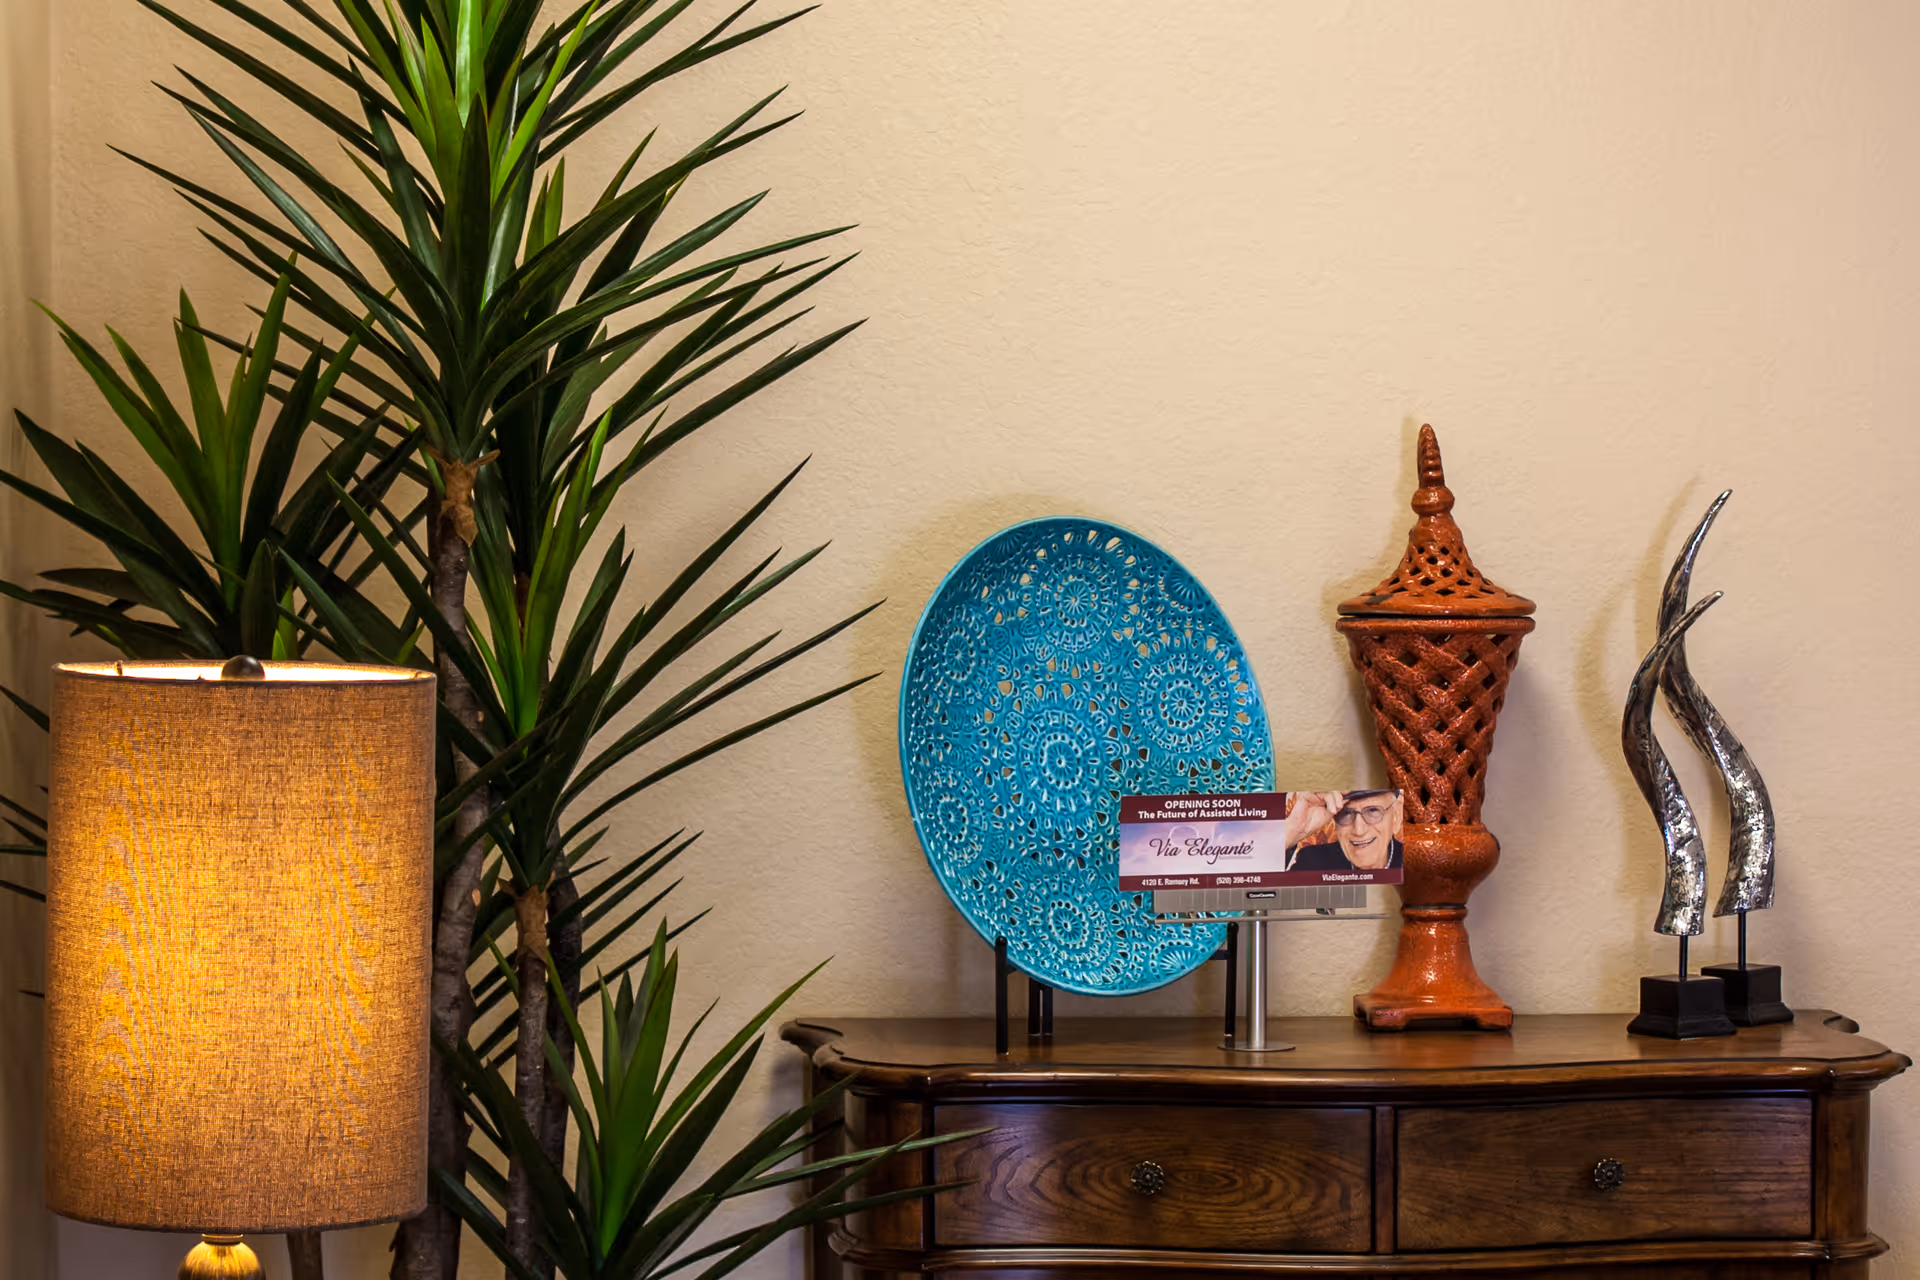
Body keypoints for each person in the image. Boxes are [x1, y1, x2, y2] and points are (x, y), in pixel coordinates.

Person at [1282, 789, 1403, 872]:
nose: (1359, 830)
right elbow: (1274, 896)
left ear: (1396, 816)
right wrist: (1292, 832)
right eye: (1346, 814)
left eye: (1373, 811)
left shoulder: (1411, 864)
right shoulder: (1313, 861)